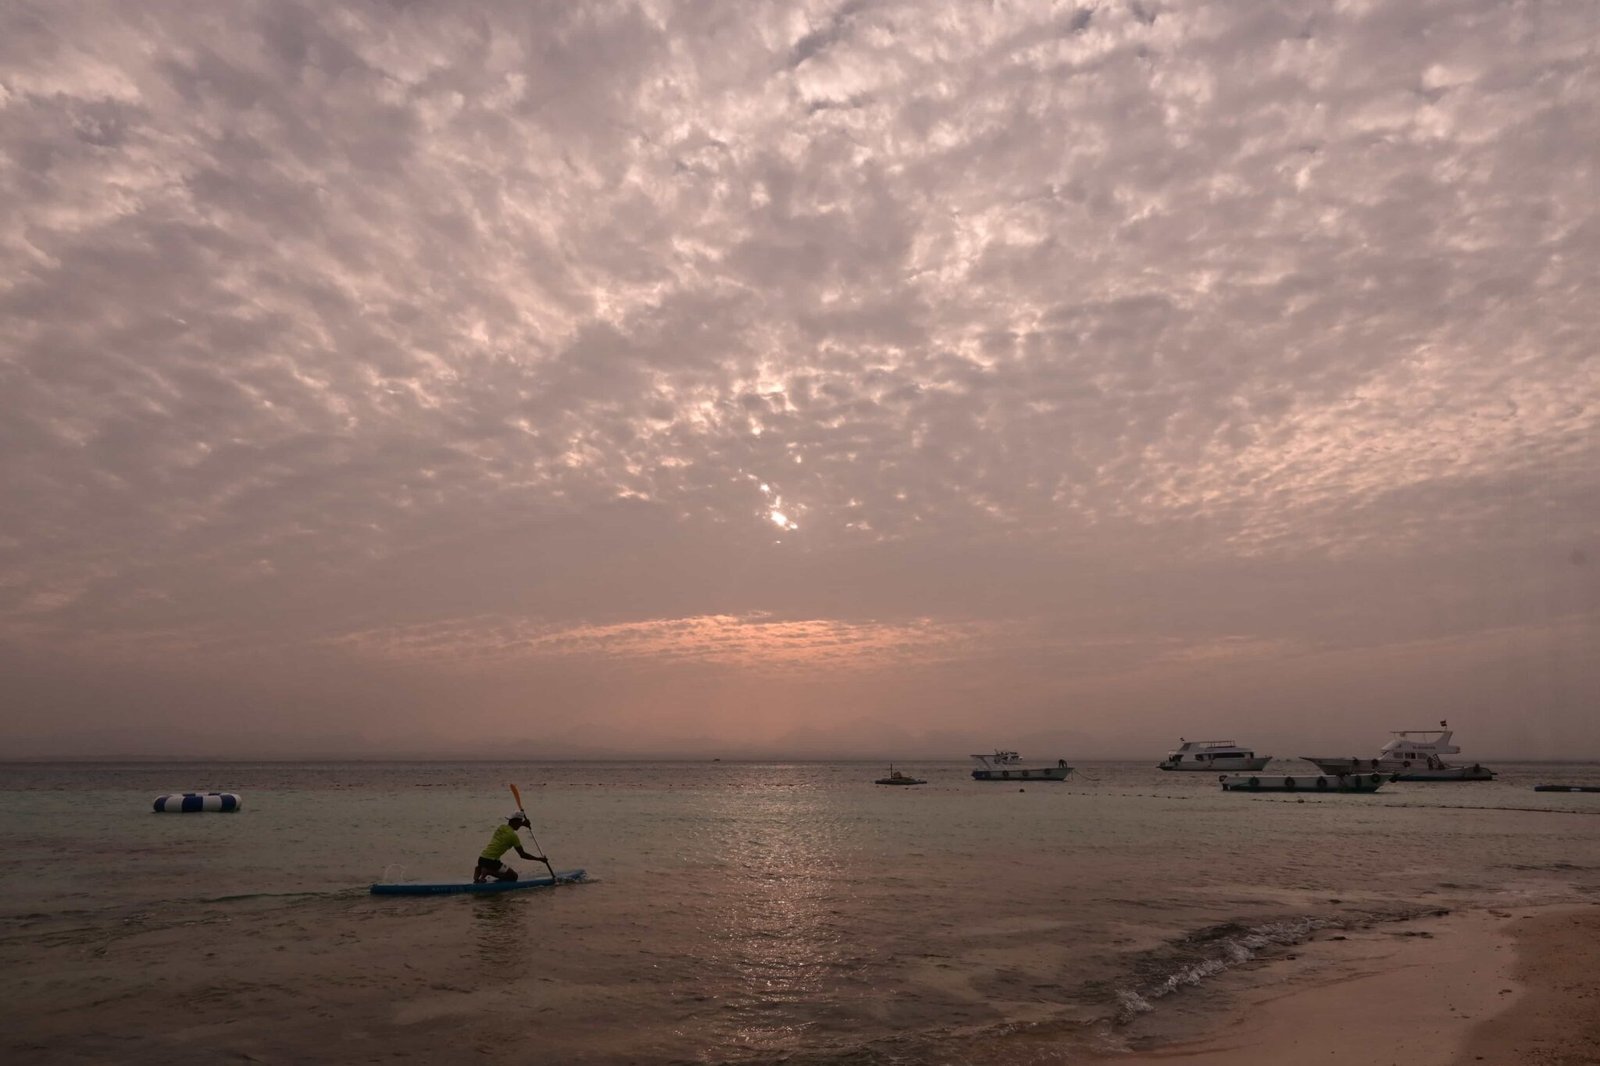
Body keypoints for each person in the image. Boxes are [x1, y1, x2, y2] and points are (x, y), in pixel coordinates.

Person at [474, 812, 546, 883]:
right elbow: (522, 855)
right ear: (515, 822)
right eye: (519, 822)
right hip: (491, 862)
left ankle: (479, 872)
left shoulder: (501, 827)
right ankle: (488, 871)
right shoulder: (513, 836)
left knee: (492, 868)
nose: (520, 825)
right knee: (513, 877)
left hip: (482, 858)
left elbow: (514, 824)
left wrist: (523, 824)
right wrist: (539, 859)